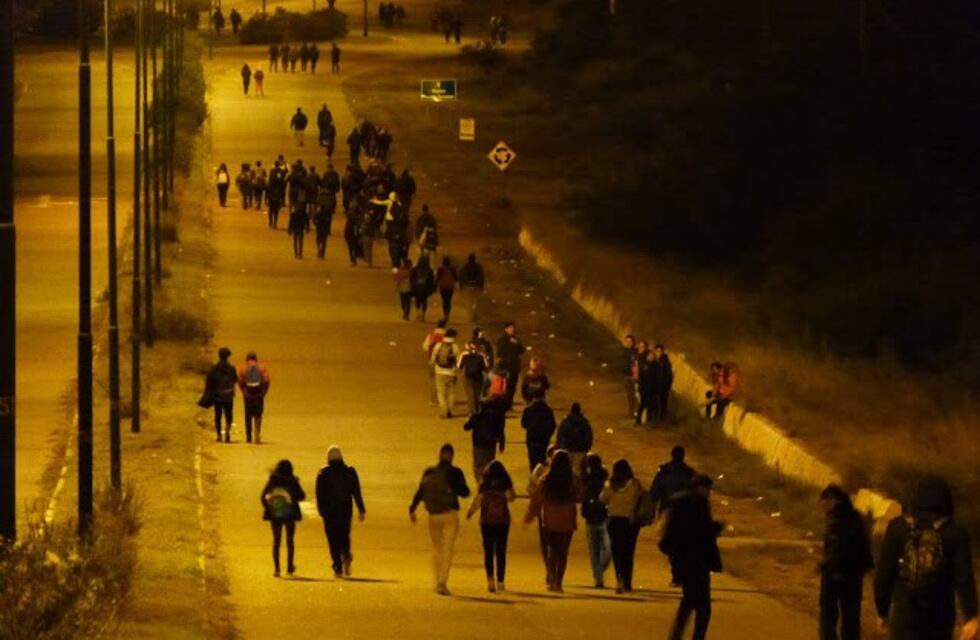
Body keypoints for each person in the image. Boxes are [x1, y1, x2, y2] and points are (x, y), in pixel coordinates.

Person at [874, 475, 978, 640]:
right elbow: (964, 577)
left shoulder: (898, 528)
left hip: (904, 613)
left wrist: (882, 611)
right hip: (940, 617)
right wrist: (970, 616)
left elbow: (883, 573)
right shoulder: (955, 533)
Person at [660, 474, 723, 640]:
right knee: (703, 604)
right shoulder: (700, 503)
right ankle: (698, 636)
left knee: (689, 600)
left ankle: (676, 635)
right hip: (698, 558)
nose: (709, 493)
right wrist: (717, 527)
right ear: (701, 487)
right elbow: (703, 529)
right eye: (708, 489)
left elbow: (670, 529)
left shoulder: (677, 500)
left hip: (681, 557)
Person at [409, 444, 471, 596]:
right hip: (450, 514)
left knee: (437, 548)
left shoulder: (430, 472)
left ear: (440, 455)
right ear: (452, 456)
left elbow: (420, 491)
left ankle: (437, 580)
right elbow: (465, 492)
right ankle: (442, 583)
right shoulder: (455, 472)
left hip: (433, 515)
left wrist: (412, 508)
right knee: (448, 549)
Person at [818, 484, 873, 640]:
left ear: (832, 499)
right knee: (851, 615)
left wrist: (825, 565)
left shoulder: (835, 517)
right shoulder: (856, 516)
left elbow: (837, 546)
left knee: (828, 613)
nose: (823, 507)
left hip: (835, 572)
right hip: (854, 574)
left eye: (824, 502)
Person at [523, 450, 580, 593]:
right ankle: (559, 581)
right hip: (567, 519)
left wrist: (529, 516)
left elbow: (537, 499)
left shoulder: (546, 480)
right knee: (563, 552)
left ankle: (552, 576)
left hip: (549, 518)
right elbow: (581, 493)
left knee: (552, 551)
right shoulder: (573, 480)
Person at [315, 446, 366, 579]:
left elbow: (319, 494)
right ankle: (346, 555)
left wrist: (320, 509)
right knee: (344, 535)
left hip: (329, 511)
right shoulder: (350, 471)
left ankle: (337, 566)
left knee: (332, 539)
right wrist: (361, 509)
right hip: (345, 509)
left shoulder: (323, 473)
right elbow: (356, 491)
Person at [466, 460, 516, 593]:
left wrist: (470, 512)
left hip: (487, 521)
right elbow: (511, 498)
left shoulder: (484, 485)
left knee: (488, 551)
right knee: (501, 551)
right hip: (502, 521)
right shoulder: (504, 484)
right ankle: (501, 581)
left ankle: (490, 581)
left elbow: (478, 500)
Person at [601, 459, 643, 593]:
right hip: (630, 521)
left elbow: (602, 499)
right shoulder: (635, 484)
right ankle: (628, 583)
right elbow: (641, 498)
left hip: (614, 521)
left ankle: (619, 580)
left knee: (617, 552)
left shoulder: (610, 485)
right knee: (629, 552)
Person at [260, 460, 306, 577]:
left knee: (277, 541)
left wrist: (269, 508)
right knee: (290, 541)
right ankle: (289, 567)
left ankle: (277, 568)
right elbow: (302, 496)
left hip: (275, 514)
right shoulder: (293, 481)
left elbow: (262, 496)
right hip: (290, 514)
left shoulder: (273, 480)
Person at [581, 452, 611, 588]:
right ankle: (598, 578)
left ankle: (598, 572)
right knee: (598, 551)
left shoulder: (602, 480)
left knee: (603, 551)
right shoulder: (587, 480)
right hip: (594, 518)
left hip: (601, 518)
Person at [463, 398, 506, 483]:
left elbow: (466, 427)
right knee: (489, 466)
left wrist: (469, 418)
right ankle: (487, 484)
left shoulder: (477, 416)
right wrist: (502, 443)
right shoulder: (497, 416)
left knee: (478, 467)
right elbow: (501, 430)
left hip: (478, 444)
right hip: (491, 445)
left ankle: (480, 484)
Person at [202, 347, 236, 442]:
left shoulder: (214, 368)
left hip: (217, 396)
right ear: (228, 356)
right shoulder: (231, 368)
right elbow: (234, 380)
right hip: (228, 396)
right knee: (228, 415)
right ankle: (227, 432)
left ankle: (219, 435)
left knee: (218, 416)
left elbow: (209, 381)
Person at [651, 445, 697, 517]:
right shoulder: (690, 472)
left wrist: (652, 505)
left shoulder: (664, 470)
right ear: (683, 456)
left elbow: (655, 490)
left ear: (672, 455)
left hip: (666, 508)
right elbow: (694, 493)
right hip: (682, 510)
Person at [236, 351, 270, 444]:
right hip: (259, 394)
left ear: (247, 359)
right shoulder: (262, 368)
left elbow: (240, 381)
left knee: (248, 415)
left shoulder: (243, 368)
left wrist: (244, 391)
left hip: (248, 395)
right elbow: (267, 380)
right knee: (258, 414)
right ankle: (257, 432)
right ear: (256, 359)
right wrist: (264, 392)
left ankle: (248, 436)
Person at [521, 391, 556, 472]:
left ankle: (534, 477)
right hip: (544, 441)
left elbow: (523, 423)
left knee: (533, 462)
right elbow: (552, 425)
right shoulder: (547, 410)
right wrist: (548, 434)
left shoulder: (529, 409)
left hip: (532, 441)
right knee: (542, 461)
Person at [431, 328, 461, 419]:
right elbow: (458, 360)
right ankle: (450, 411)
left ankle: (443, 410)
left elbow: (433, 358)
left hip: (439, 371)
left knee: (441, 392)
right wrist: (456, 369)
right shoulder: (455, 347)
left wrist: (434, 366)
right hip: (451, 372)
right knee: (451, 393)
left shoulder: (438, 345)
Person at [556, 402, 593, 474]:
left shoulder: (566, 421)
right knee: (578, 471)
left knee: (566, 471)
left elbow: (560, 434)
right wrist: (586, 448)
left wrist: (561, 447)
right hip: (581, 450)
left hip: (567, 449)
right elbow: (589, 436)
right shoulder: (584, 422)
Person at [496, 322, 525, 410]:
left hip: (514, 366)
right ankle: (505, 404)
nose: (512, 330)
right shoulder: (502, 340)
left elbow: (522, 351)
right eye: (510, 328)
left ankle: (509, 404)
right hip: (506, 366)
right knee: (506, 386)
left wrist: (517, 344)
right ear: (506, 329)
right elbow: (499, 353)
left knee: (513, 386)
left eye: (513, 328)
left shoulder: (515, 339)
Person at [458, 338, 490, 414]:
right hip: (479, 377)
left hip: (467, 377)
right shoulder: (482, 355)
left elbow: (459, 366)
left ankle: (471, 412)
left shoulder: (464, 354)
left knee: (469, 395)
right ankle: (478, 410)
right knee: (477, 395)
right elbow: (486, 366)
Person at [422, 319, 448, 405]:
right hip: (445, 363)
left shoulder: (432, 335)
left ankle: (433, 400)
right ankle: (443, 399)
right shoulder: (447, 337)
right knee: (444, 381)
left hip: (432, 361)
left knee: (433, 380)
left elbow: (425, 347)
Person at [457, 253, 485, 323]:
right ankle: (474, 315)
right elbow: (481, 277)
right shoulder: (478, 267)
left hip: (467, 286)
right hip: (476, 286)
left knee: (469, 302)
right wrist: (481, 286)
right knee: (475, 301)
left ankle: (470, 317)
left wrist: (461, 285)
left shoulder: (465, 267)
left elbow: (461, 276)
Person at [652, 344, 674, 423]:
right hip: (654, 386)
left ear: (662, 352)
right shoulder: (653, 360)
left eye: (660, 351)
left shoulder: (665, 362)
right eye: (657, 351)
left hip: (663, 386)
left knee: (663, 403)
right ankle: (655, 419)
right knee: (654, 403)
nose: (658, 353)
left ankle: (662, 419)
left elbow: (669, 375)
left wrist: (667, 385)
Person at [410, 255, 436, 321]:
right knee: (424, 301)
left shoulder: (415, 269)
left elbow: (411, 279)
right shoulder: (429, 270)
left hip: (417, 288)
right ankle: (423, 314)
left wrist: (412, 287)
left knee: (417, 301)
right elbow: (431, 281)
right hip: (425, 289)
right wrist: (431, 289)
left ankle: (418, 313)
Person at [621, 334, 639, 418]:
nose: (628, 343)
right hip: (626, 376)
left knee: (635, 394)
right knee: (629, 395)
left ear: (633, 342)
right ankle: (631, 411)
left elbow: (636, 364)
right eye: (627, 341)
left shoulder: (635, 352)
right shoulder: (624, 351)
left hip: (633, 376)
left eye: (630, 341)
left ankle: (636, 411)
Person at [313, 189, 334, 259]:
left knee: (318, 240)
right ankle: (323, 252)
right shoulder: (330, 197)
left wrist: (316, 224)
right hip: (325, 227)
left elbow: (314, 219)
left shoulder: (318, 213)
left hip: (319, 227)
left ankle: (319, 249)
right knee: (324, 241)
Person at [435, 256, 458, 321]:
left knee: (444, 301)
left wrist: (435, 286)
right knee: (449, 301)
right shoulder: (452, 269)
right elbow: (456, 278)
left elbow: (437, 279)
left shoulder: (440, 269)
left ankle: (445, 314)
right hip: (450, 287)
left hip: (443, 287)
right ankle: (447, 314)